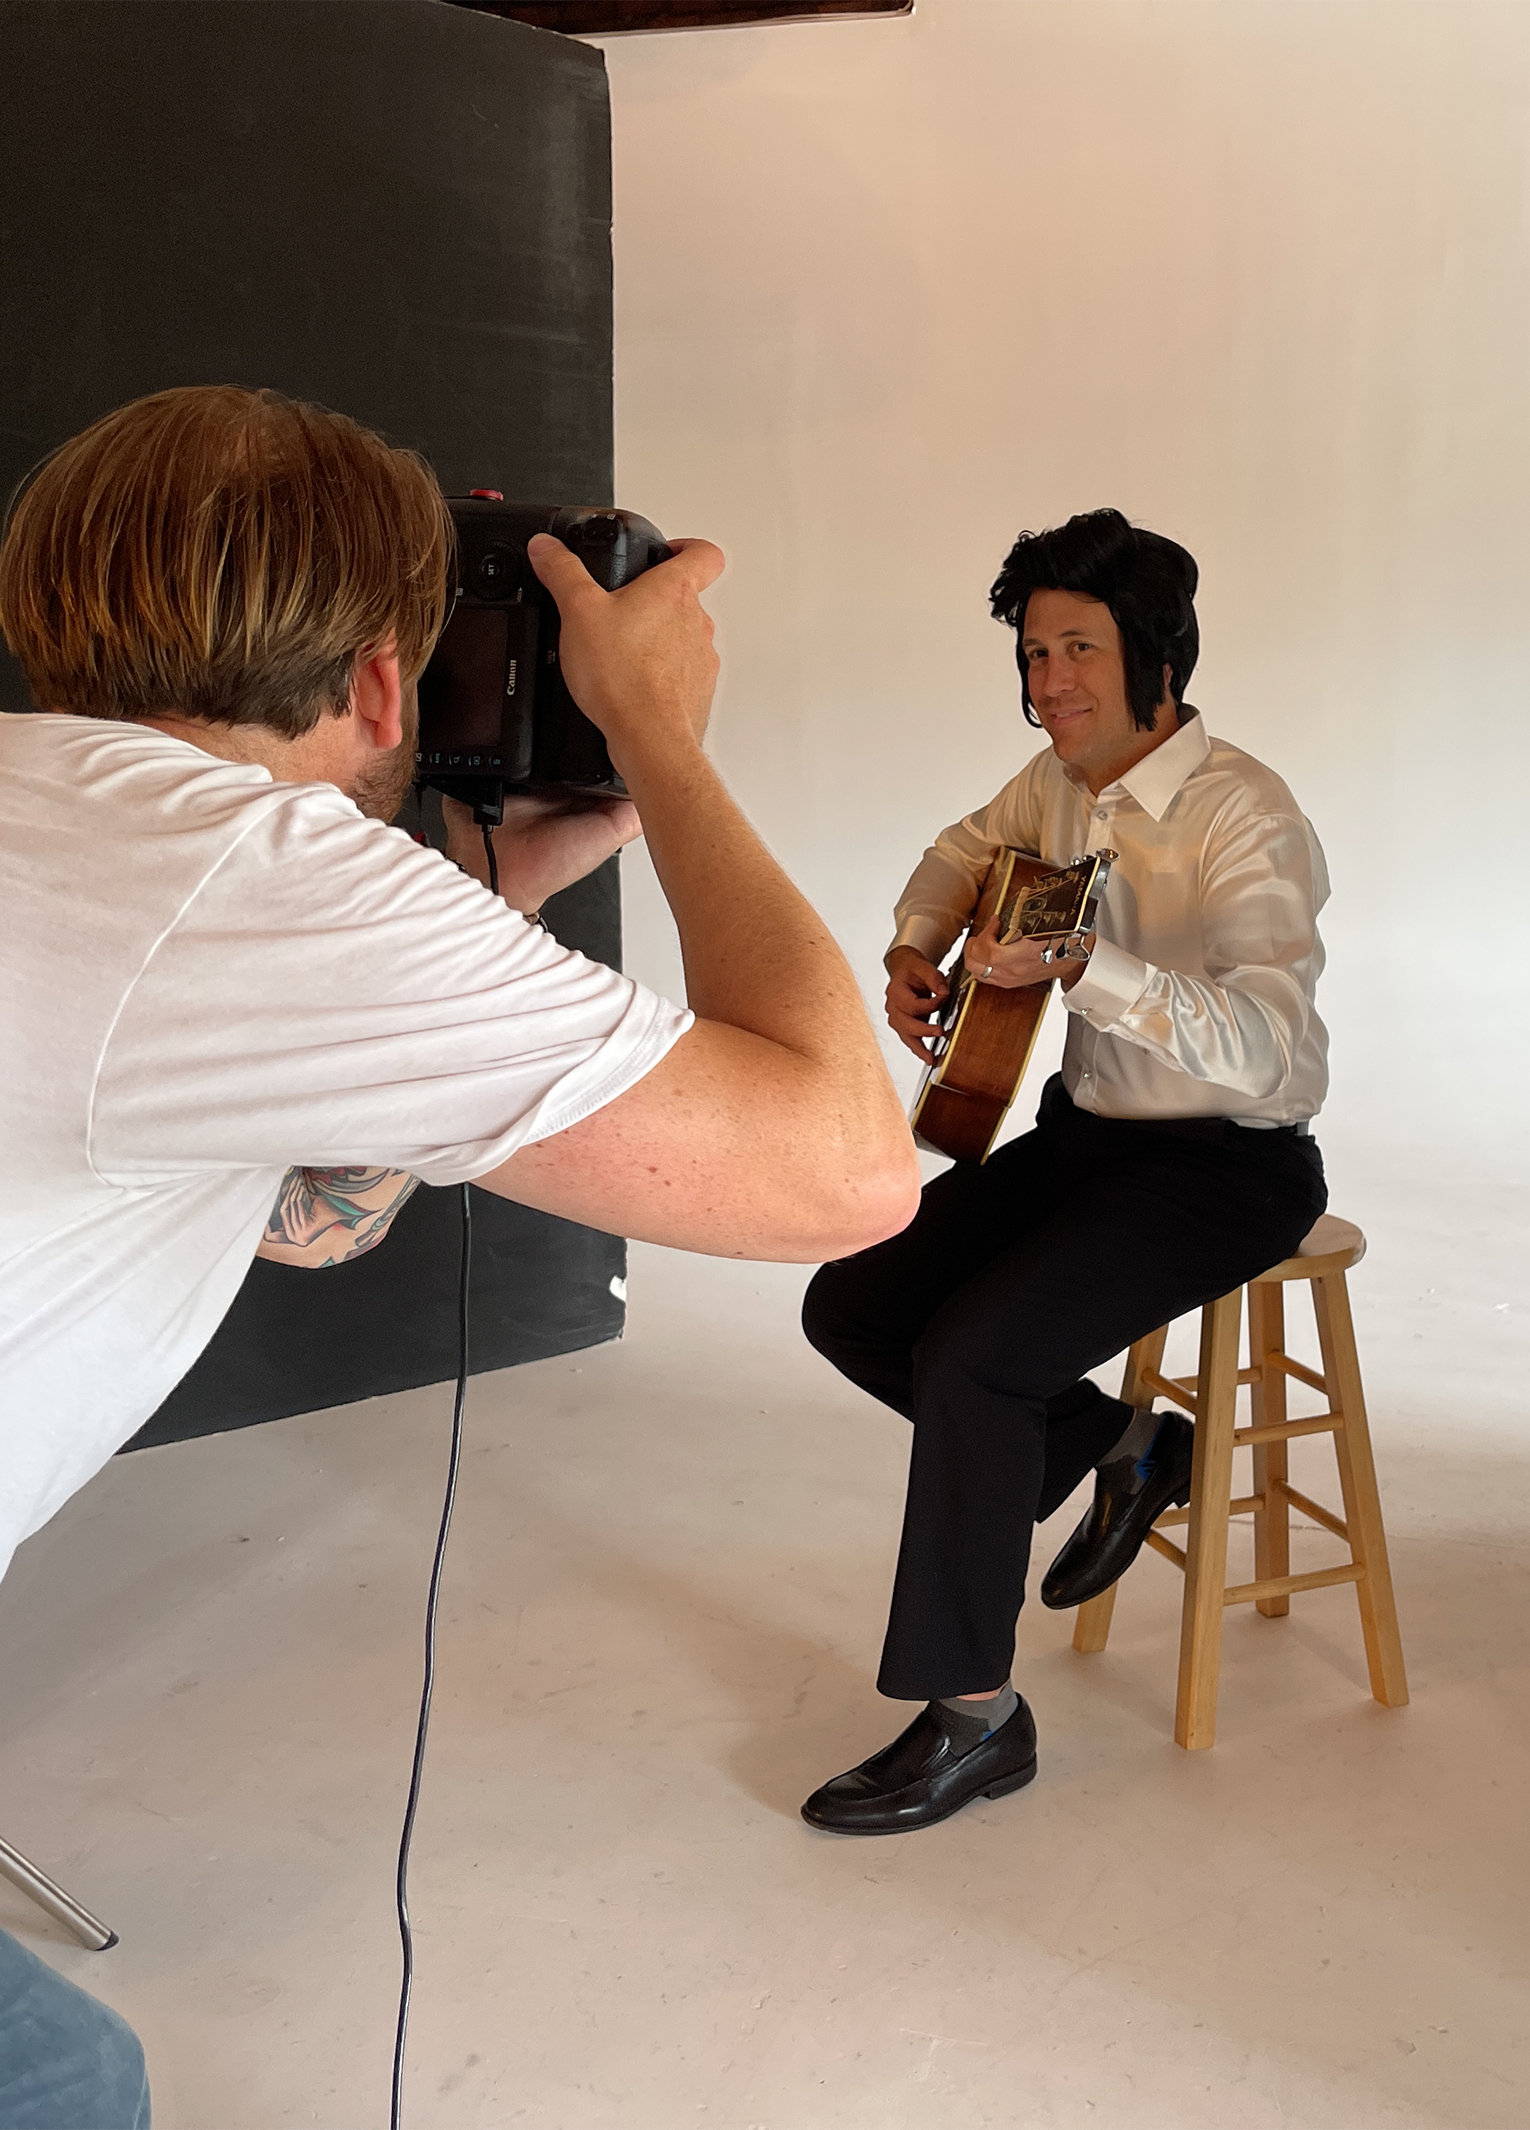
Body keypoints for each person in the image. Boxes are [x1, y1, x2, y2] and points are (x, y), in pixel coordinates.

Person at [0, 385, 919, 2121]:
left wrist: (502, 893)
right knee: (64, 2089)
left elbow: (292, 1216)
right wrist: (660, 740)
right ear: (375, 680)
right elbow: (844, 1173)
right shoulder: (253, 872)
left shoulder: (65, 811)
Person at [799, 508, 1330, 1836]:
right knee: (852, 1299)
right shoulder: (1053, 786)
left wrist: (1095, 969)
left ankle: (974, 1718)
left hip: (1229, 1163)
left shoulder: (1245, 815)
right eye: (1032, 656)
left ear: (1158, 649)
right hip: (1087, 1134)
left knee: (975, 1355)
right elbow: (958, 853)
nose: (1047, 689)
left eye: (1076, 651)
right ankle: (1125, 1444)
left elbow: (1269, 1055)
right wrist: (915, 945)